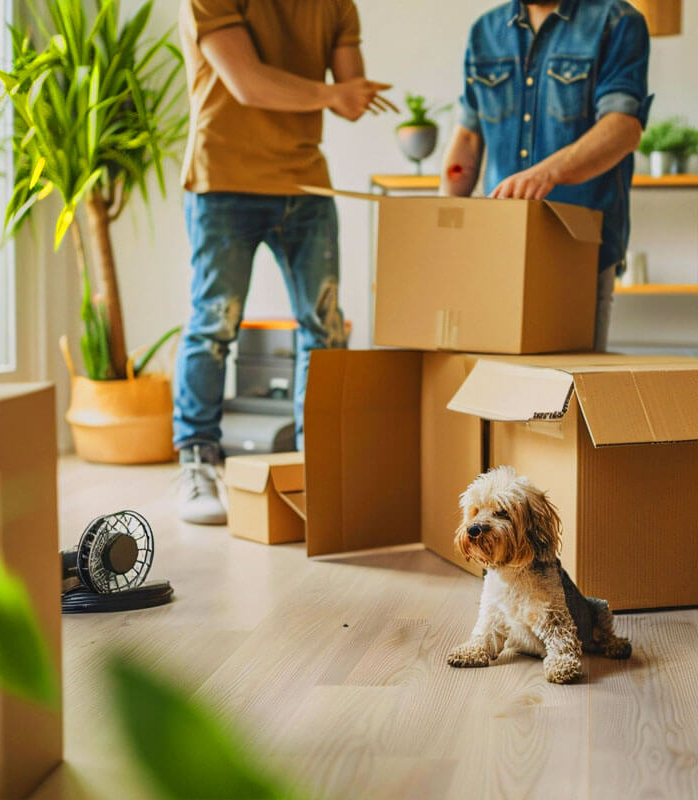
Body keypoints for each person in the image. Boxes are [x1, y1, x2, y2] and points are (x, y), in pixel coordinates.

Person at [175, 0, 396, 524]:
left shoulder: (337, 5)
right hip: (223, 180)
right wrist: (330, 93)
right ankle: (197, 464)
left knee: (325, 329)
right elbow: (247, 82)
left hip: (305, 182)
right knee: (214, 324)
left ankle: (317, 467)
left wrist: (343, 95)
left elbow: (350, 100)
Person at [441, 0, 652, 348]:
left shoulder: (616, 21)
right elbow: (467, 136)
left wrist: (546, 173)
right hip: (497, 247)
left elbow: (623, 129)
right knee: (496, 390)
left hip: (577, 251)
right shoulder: (485, 32)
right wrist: (442, 227)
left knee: (564, 395)